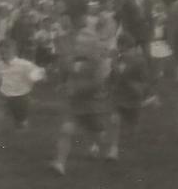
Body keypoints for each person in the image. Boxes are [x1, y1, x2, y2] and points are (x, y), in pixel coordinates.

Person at [50, 35, 107, 176]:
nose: (79, 48)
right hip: (74, 104)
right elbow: (67, 74)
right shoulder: (72, 61)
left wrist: (77, 89)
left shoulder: (98, 63)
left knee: (97, 132)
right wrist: (63, 84)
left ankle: (98, 146)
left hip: (91, 105)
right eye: (78, 45)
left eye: (83, 46)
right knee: (66, 129)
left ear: (92, 48)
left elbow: (98, 84)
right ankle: (60, 163)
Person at [0, 40, 45, 155]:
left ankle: (22, 121)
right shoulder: (0, 65)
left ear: (14, 50)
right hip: (4, 96)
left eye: (7, 48)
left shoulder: (24, 64)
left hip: (21, 99)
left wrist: (37, 76)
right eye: (1, 49)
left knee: (21, 125)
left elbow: (39, 73)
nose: (3, 51)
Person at [106, 33, 149, 161]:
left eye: (128, 49)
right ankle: (113, 150)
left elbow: (145, 81)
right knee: (114, 119)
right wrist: (107, 85)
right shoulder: (117, 60)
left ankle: (129, 142)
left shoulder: (140, 61)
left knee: (133, 128)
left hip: (133, 97)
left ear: (133, 48)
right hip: (119, 95)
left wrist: (140, 89)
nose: (124, 52)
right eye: (121, 49)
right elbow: (113, 77)